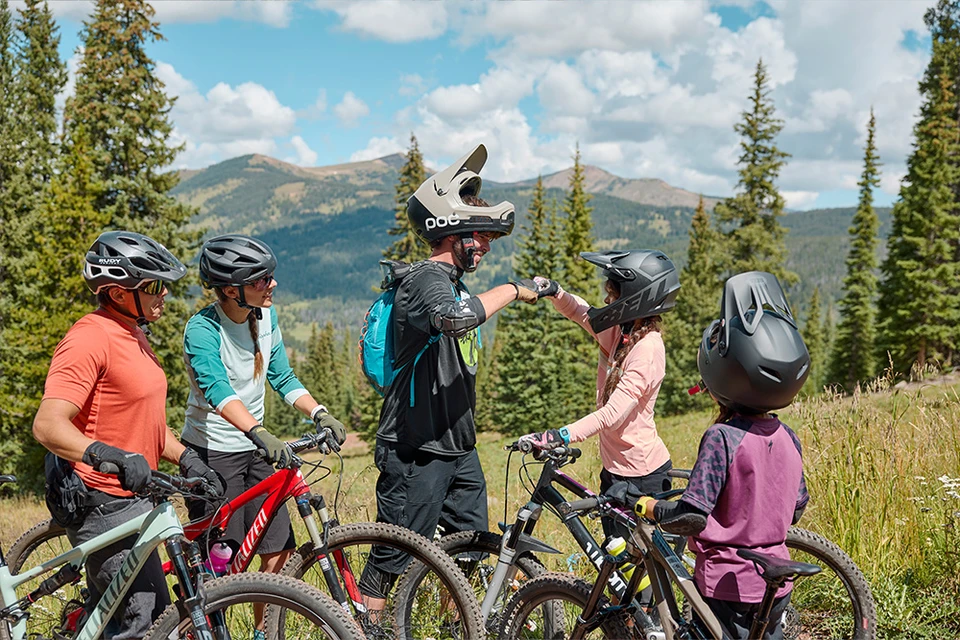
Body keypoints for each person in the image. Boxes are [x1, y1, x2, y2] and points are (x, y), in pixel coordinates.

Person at [358, 143, 548, 608]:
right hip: (414, 446)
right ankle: (363, 626)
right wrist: (514, 289)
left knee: (466, 552)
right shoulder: (424, 280)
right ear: (451, 230)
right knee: (394, 555)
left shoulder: (453, 284)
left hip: (458, 447)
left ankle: (454, 625)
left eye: (488, 239)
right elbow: (454, 320)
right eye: (479, 236)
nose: (484, 246)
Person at [32, 230, 223, 640]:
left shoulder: (134, 333)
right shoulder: (88, 338)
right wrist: (109, 455)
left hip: (136, 495)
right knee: (148, 620)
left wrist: (187, 458)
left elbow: (148, 423)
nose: (164, 294)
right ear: (118, 293)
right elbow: (47, 425)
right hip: (101, 502)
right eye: (154, 286)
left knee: (132, 614)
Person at [603, 271, 811, 640]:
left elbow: (691, 517)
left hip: (726, 587)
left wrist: (643, 504)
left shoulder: (722, 438)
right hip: (774, 585)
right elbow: (796, 504)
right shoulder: (787, 436)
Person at [181, 233, 347, 586]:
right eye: (261, 280)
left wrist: (319, 412)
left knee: (278, 549)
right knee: (221, 561)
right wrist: (257, 431)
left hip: (255, 450)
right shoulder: (202, 328)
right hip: (213, 453)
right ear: (230, 290)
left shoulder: (266, 318)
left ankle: (262, 631)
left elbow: (282, 376)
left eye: (269, 275)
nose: (272, 284)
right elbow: (217, 390)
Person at [519, 249, 681, 541]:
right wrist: (556, 292)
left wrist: (560, 435)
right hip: (615, 473)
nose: (607, 301)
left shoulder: (648, 349)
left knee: (644, 574)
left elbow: (612, 414)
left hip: (642, 478)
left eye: (613, 295)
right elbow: (584, 314)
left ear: (634, 298)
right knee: (617, 562)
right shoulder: (621, 333)